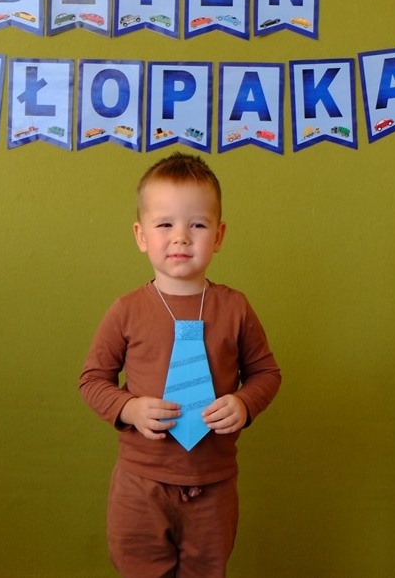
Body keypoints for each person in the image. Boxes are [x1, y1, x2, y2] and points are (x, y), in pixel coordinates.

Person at [79, 151, 281, 577]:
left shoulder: (235, 308)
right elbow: (93, 379)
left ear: (219, 235)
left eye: (198, 225)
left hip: (213, 485)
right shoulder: (127, 310)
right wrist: (129, 408)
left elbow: (266, 373)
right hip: (141, 484)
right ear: (141, 235)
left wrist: (244, 403)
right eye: (165, 224)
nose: (181, 238)